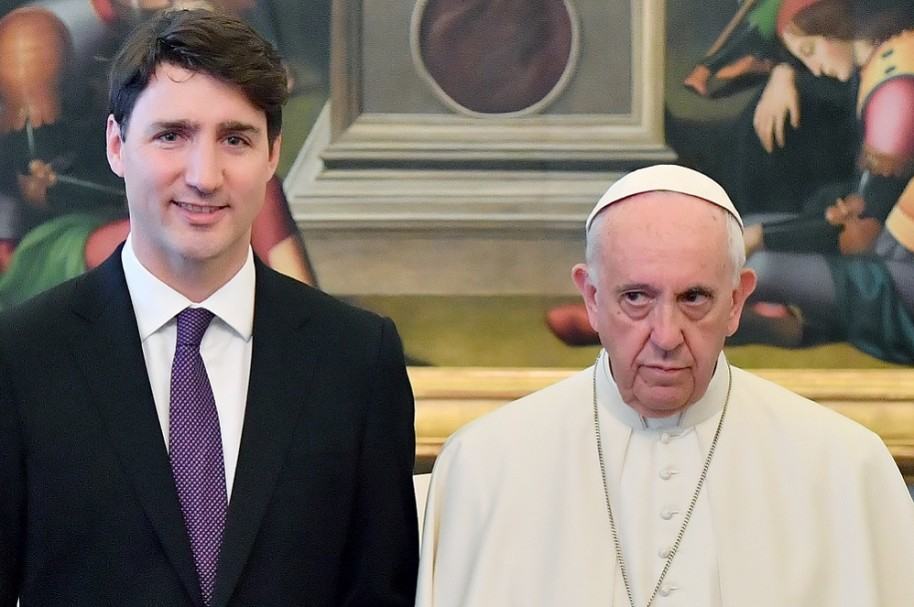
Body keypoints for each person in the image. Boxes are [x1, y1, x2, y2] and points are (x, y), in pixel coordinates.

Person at [0, 9, 417, 607]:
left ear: (273, 155)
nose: (205, 175)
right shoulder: (21, 358)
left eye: (236, 139)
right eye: (172, 135)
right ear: (118, 146)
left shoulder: (356, 359)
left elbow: (381, 591)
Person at [416, 164, 914, 606]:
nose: (666, 336)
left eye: (695, 297)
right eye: (636, 297)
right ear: (591, 297)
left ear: (738, 301)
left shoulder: (847, 467)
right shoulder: (484, 467)